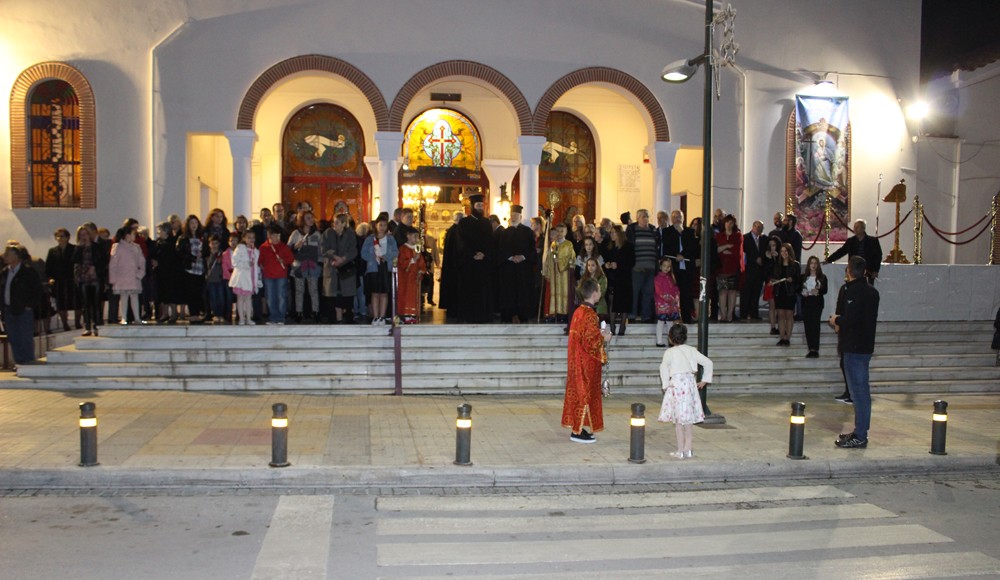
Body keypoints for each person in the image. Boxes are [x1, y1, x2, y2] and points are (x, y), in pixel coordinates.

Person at [829, 255, 880, 449]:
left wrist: (836, 320)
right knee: (859, 392)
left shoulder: (854, 291)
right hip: (863, 346)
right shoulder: (871, 292)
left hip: (855, 347)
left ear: (850, 271)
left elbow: (851, 319)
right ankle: (859, 431)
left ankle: (860, 434)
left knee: (859, 392)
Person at [561, 278, 612, 444]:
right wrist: (604, 337)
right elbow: (591, 341)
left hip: (577, 361)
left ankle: (580, 427)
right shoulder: (589, 315)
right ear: (595, 293)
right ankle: (577, 432)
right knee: (584, 395)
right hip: (586, 363)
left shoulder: (578, 312)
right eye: (599, 290)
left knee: (579, 394)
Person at [658, 323, 713, 459]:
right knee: (688, 420)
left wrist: (665, 385)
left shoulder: (669, 352)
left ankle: (680, 450)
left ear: (670, 338)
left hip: (677, 386)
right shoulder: (691, 350)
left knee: (678, 421)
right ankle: (688, 449)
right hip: (689, 385)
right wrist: (705, 380)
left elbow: (663, 368)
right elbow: (708, 363)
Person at [455, 193, 494, 323]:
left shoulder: (487, 222)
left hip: (483, 263)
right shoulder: (464, 223)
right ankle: (468, 315)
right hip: (469, 263)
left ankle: (484, 315)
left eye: (482, 205)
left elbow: (490, 241)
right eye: (478, 205)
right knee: (469, 290)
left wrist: (484, 253)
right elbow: (461, 242)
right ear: (472, 206)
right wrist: (473, 254)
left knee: (484, 291)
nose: (480, 208)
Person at [1, 243, 42, 367]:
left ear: (17, 256)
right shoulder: (4, 272)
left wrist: (30, 305)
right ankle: (19, 362)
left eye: (8, 254)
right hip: (9, 309)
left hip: (24, 310)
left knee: (25, 337)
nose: (5, 256)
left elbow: (37, 290)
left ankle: (28, 362)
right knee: (13, 338)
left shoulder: (27, 271)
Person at [496, 204, 536, 323]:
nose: (513, 217)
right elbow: (500, 249)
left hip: (523, 268)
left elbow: (532, 249)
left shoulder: (527, 232)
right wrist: (510, 257)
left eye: (515, 215)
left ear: (520, 216)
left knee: (523, 292)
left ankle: (523, 314)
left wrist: (523, 257)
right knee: (508, 292)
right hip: (508, 269)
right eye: (512, 215)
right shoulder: (504, 232)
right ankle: (508, 315)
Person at [361, 213, 398, 325]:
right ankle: (375, 316)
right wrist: (374, 256)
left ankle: (382, 316)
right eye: (380, 225)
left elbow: (396, 252)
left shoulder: (390, 239)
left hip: (385, 267)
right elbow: (363, 253)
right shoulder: (370, 239)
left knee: (384, 293)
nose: (382, 227)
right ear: (376, 225)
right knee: (375, 293)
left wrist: (386, 257)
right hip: (373, 267)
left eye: (385, 225)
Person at [321, 213, 358, 324]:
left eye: (337, 222)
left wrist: (343, 258)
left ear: (343, 223)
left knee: (347, 295)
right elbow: (323, 248)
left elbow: (353, 250)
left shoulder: (350, 234)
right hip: (331, 268)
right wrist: (334, 257)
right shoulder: (328, 233)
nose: (334, 224)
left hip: (346, 268)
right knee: (332, 296)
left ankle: (349, 318)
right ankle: (333, 319)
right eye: (334, 222)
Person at [824, 218, 883, 285]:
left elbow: (878, 256)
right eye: (854, 227)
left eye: (857, 227)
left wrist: (875, 270)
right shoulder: (851, 241)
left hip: (868, 271)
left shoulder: (873, 241)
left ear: (863, 228)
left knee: (866, 291)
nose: (854, 229)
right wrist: (829, 260)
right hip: (853, 271)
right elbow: (841, 251)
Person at [288, 211, 323, 323]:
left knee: (314, 290)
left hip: (313, 266)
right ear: (302, 220)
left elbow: (321, 250)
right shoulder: (295, 234)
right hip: (299, 265)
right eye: (308, 218)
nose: (311, 220)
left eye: (312, 218)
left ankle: (316, 311)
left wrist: (320, 263)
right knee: (299, 290)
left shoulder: (317, 234)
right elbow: (288, 249)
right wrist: (295, 246)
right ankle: (299, 312)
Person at [625, 209, 660, 322]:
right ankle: (632, 315)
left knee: (648, 293)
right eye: (643, 216)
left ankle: (646, 315)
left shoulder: (653, 230)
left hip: (651, 267)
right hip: (637, 267)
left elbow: (657, 245)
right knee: (634, 293)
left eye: (647, 216)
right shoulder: (632, 230)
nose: (646, 219)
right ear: (638, 218)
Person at [73, 226, 107, 336]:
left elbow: (104, 261)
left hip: (95, 277)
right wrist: (79, 248)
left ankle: (97, 326)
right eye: (81, 235)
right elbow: (74, 262)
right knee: (85, 304)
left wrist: (95, 268)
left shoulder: (97, 247)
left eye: (85, 234)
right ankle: (87, 326)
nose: (84, 237)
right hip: (83, 278)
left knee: (96, 303)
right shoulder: (78, 248)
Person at [108, 226, 146, 325]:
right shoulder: (117, 246)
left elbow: (142, 261)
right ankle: (123, 317)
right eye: (133, 234)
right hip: (122, 277)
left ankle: (137, 317)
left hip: (134, 277)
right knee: (123, 297)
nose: (135, 236)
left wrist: (140, 273)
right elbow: (113, 264)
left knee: (134, 297)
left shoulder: (136, 247)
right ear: (127, 235)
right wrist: (113, 279)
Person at [45, 228, 81, 331]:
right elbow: (48, 267)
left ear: (68, 237)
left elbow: (78, 264)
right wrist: (50, 278)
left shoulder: (74, 249)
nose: (60, 238)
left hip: (72, 280)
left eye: (62, 236)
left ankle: (77, 323)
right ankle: (65, 324)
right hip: (59, 281)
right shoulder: (52, 251)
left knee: (77, 303)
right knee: (61, 304)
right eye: (58, 236)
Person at [603, 225, 633, 335]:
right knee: (612, 301)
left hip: (624, 278)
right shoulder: (610, 247)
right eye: (610, 233)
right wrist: (607, 265)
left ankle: (622, 325)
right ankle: (611, 325)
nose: (611, 235)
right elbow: (605, 259)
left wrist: (619, 265)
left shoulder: (628, 247)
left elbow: (631, 262)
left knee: (624, 302)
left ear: (619, 234)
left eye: (613, 233)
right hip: (612, 278)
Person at [769, 243, 800, 346]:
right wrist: (772, 281)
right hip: (779, 292)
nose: (784, 253)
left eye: (786, 251)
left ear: (789, 252)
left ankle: (787, 338)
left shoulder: (795, 264)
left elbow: (799, 280)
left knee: (789, 315)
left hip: (790, 293)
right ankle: (782, 338)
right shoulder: (777, 264)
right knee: (781, 315)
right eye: (782, 251)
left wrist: (793, 279)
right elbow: (773, 276)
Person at [150, 221, 181, 324]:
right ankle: (165, 313)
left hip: (171, 272)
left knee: (171, 293)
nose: (158, 232)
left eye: (160, 230)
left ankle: (173, 313)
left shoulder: (172, 242)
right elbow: (153, 254)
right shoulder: (158, 242)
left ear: (166, 231)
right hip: (160, 272)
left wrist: (160, 262)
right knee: (162, 293)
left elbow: (173, 258)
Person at [544, 223, 576, 323]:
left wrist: (560, 263)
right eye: (558, 231)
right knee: (555, 292)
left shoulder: (568, 244)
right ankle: (555, 313)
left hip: (564, 274)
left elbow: (571, 258)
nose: (559, 233)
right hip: (554, 273)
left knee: (564, 292)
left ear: (566, 232)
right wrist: (548, 272)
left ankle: (564, 313)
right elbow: (549, 258)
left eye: (562, 231)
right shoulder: (553, 244)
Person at [714, 214, 742, 322]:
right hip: (721, 268)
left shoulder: (737, 235)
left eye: (731, 223)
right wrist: (726, 246)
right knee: (722, 292)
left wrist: (724, 249)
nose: (729, 225)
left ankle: (730, 314)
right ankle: (723, 314)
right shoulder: (719, 236)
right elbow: (716, 251)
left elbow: (736, 251)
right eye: (727, 222)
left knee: (732, 292)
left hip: (733, 268)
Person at [229, 230, 260, 325]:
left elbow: (256, 266)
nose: (251, 239)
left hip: (251, 278)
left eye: (253, 237)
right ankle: (241, 318)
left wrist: (258, 278)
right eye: (249, 237)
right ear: (244, 239)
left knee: (248, 298)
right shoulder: (240, 248)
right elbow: (234, 262)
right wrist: (246, 264)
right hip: (241, 278)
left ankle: (249, 318)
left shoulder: (255, 251)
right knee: (240, 298)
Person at [396, 225, 426, 324]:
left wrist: (421, 270)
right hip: (405, 277)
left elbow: (421, 261)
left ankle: (414, 314)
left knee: (414, 295)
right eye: (414, 236)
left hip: (414, 277)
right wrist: (412, 260)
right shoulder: (403, 248)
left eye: (417, 237)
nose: (416, 239)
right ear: (408, 236)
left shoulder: (417, 248)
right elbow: (401, 262)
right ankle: (405, 315)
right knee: (405, 295)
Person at [801, 256, 828, 358]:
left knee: (815, 325)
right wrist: (803, 292)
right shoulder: (803, 277)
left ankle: (815, 348)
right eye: (811, 263)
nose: (813, 265)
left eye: (815, 263)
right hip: (807, 302)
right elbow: (799, 288)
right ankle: (810, 348)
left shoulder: (822, 277)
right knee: (808, 326)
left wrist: (818, 291)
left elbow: (825, 290)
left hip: (816, 303)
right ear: (808, 265)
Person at [740, 220, 766, 321]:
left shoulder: (763, 239)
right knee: (746, 293)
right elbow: (745, 253)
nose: (759, 229)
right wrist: (755, 259)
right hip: (748, 270)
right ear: (753, 226)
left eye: (761, 227)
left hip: (759, 271)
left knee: (756, 294)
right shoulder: (745, 238)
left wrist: (761, 259)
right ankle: (744, 314)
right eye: (758, 227)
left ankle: (754, 314)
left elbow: (764, 252)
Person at [653, 256, 680, 347]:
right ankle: (659, 341)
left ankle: (670, 340)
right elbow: (658, 291)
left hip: (670, 304)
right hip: (662, 303)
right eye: (664, 266)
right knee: (660, 322)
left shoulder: (671, 278)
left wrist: (676, 296)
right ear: (660, 266)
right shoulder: (657, 278)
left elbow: (675, 288)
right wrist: (667, 297)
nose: (666, 268)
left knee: (670, 323)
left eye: (668, 266)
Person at [203, 236, 228, 323]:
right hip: (210, 280)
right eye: (212, 244)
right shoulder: (207, 254)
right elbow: (208, 265)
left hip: (220, 279)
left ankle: (221, 314)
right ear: (209, 244)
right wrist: (212, 255)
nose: (214, 245)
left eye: (216, 243)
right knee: (213, 298)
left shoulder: (222, 254)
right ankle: (216, 314)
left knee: (221, 298)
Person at [761, 236, 782, 335]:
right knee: (772, 306)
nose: (772, 247)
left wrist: (777, 257)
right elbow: (765, 271)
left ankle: (780, 326)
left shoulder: (781, 256)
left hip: (779, 283)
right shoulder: (765, 256)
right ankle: (773, 327)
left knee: (779, 306)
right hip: (770, 282)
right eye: (770, 245)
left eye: (774, 245)